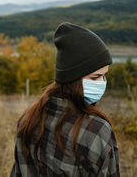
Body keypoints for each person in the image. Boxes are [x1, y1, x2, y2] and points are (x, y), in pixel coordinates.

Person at [10, 22, 120, 176]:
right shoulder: (96, 130)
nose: (102, 83)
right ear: (72, 78)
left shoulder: (29, 118)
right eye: (95, 77)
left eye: (104, 76)